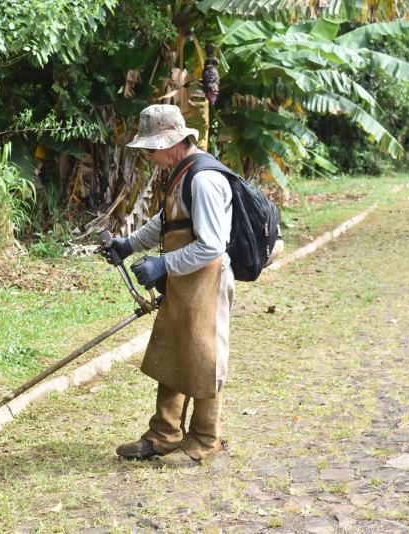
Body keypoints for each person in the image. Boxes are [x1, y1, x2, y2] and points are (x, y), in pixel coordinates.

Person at [105, 104, 235, 468]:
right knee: (173, 349)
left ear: (173, 141)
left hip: (208, 280)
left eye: (151, 149)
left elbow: (211, 245)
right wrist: (128, 244)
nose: (149, 157)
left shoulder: (205, 179)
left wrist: (163, 264)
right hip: (185, 280)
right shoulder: (181, 173)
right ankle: (164, 435)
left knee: (206, 359)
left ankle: (205, 441)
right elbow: (168, 223)